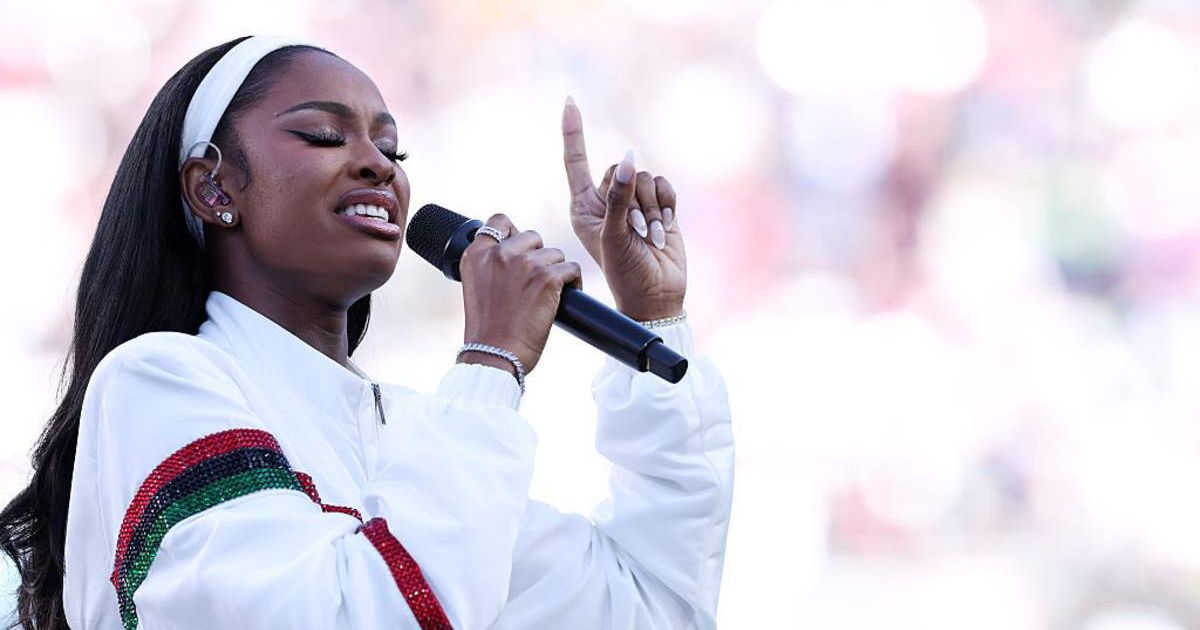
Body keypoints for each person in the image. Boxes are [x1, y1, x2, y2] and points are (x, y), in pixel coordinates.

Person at [0, 35, 733, 630]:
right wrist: (491, 359)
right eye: (323, 134)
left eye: (394, 150)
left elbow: (651, 604)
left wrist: (652, 315)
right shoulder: (159, 381)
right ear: (213, 187)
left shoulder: (416, 440)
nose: (378, 163)